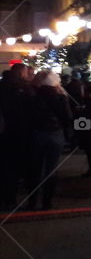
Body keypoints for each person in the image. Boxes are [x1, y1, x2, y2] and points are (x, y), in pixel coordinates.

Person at [26, 71, 73, 211]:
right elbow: (68, 117)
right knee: (51, 169)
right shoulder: (60, 97)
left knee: (35, 169)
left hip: (37, 134)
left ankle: (32, 201)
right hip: (55, 134)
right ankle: (47, 202)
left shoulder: (32, 96)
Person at [0, 64, 35, 209]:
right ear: (21, 74)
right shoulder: (24, 90)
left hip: (5, 132)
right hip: (18, 133)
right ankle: (10, 198)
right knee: (14, 167)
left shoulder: (4, 87)